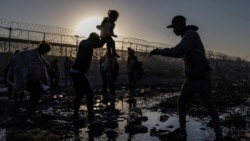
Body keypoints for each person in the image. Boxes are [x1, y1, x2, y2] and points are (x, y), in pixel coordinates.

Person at [150, 15, 223, 141]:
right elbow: (180, 53)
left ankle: (219, 135)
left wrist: (159, 51)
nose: (173, 30)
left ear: (179, 25)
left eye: (174, 27)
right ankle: (183, 130)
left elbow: (178, 51)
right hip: (192, 78)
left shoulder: (190, 34)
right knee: (182, 101)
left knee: (208, 104)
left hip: (201, 76)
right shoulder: (187, 35)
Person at [70, 32, 105, 122]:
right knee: (89, 93)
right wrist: (105, 37)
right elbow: (97, 44)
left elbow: (99, 44)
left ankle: (76, 115)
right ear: (92, 39)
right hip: (77, 72)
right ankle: (90, 116)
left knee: (80, 94)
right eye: (95, 40)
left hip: (77, 72)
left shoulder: (86, 43)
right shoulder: (85, 42)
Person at [7, 41, 51, 112]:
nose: (46, 53)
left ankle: (31, 107)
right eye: (46, 51)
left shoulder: (38, 55)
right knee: (37, 91)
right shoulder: (32, 54)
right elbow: (26, 62)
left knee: (38, 91)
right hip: (28, 77)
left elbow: (42, 65)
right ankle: (30, 107)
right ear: (42, 48)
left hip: (32, 78)